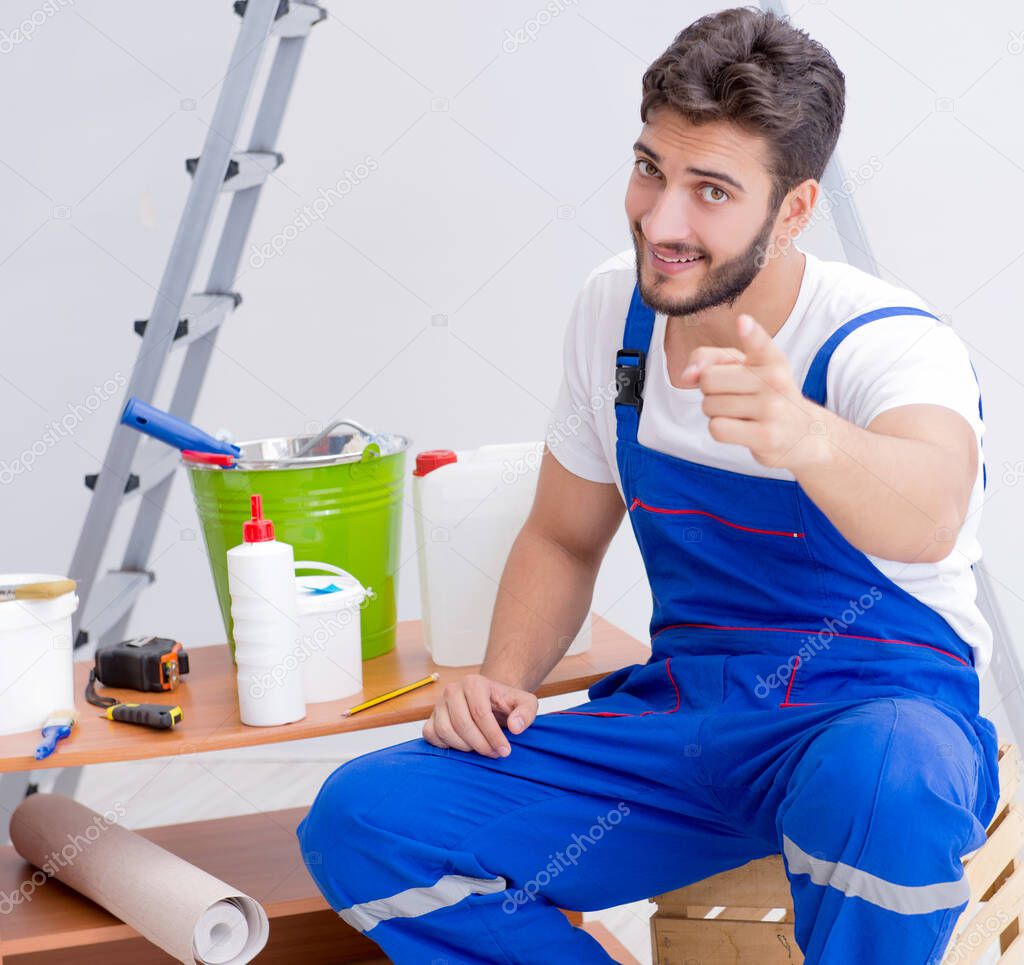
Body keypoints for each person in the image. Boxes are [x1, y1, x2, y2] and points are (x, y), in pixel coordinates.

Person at [296, 8, 999, 963]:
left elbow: (934, 509)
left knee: (889, 780)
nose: (660, 222)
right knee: (366, 816)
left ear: (794, 209)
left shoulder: (885, 340)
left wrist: (808, 436)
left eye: (711, 190)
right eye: (649, 170)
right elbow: (564, 536)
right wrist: (503, 679)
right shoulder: (612, 316)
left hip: (871, 711)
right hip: (686, 719)